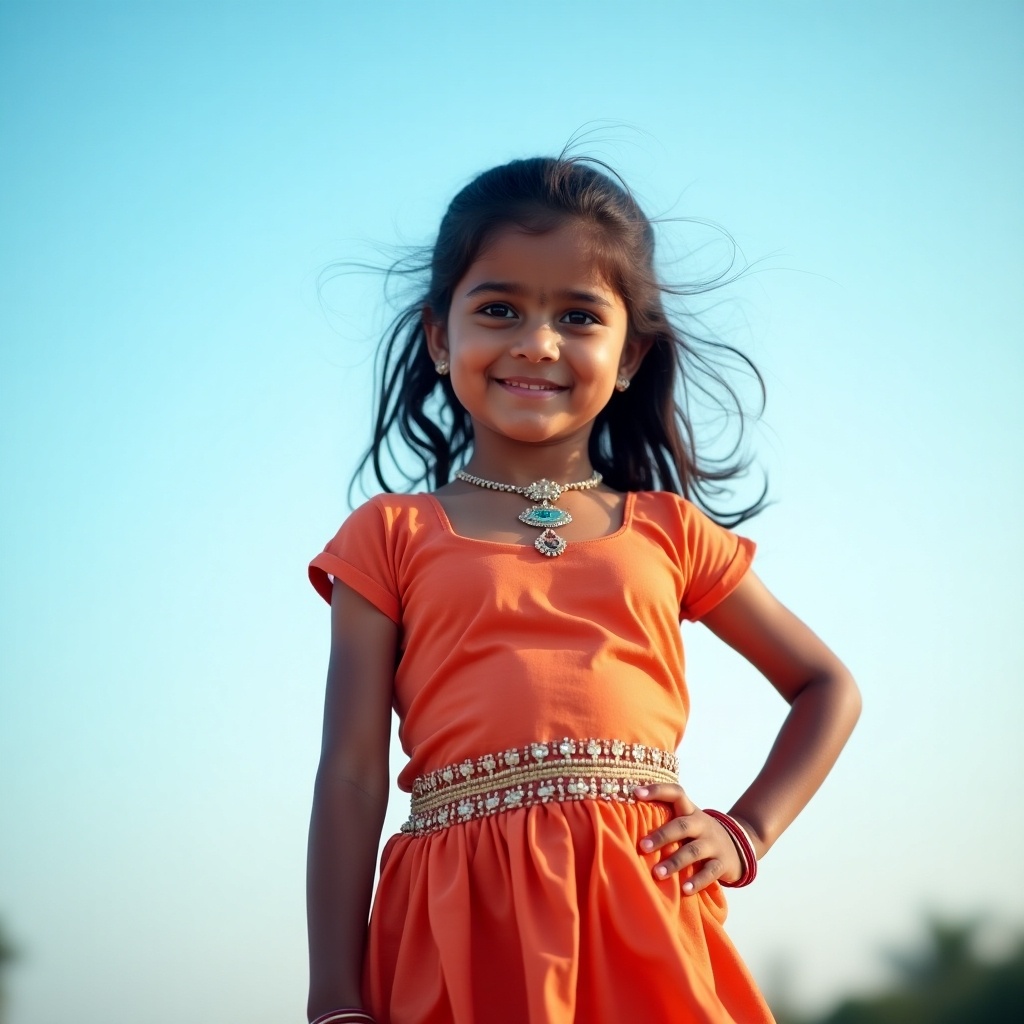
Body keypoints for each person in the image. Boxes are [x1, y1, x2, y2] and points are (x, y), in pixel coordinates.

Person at [305, 156, 861, 1024]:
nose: (537, 342)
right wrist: (334, 997)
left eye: (577, 315)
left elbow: (828, 687)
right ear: (440, 336)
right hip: (459, 916)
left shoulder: (671, 532)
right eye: (499, 310)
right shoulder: (389, 535)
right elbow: (347, 775)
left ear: (630, 352)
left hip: (642, 900)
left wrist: (745, 831)